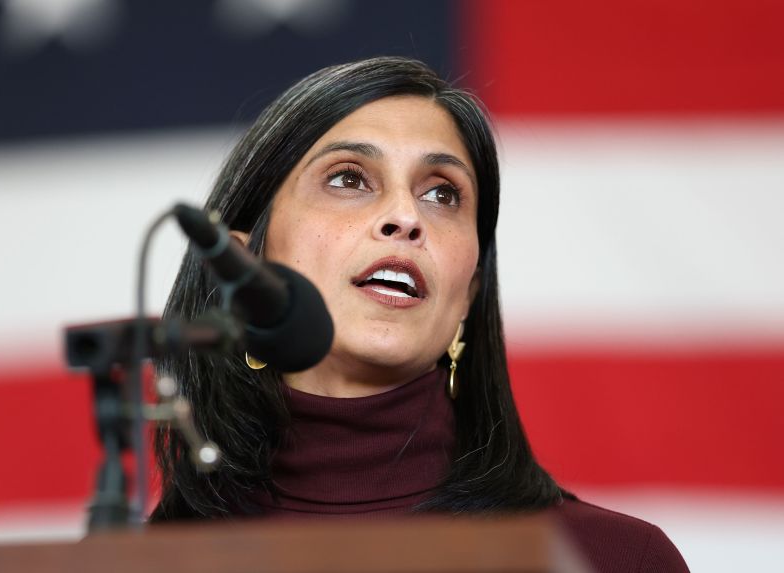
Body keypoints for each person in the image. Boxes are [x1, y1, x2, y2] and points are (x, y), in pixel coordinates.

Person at [150, 57, 689, 572]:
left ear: (469, 292)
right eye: (349, 179)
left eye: (442, 194)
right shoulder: (145, 560)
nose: (406, 216)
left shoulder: (613, 560)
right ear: (241, 266)